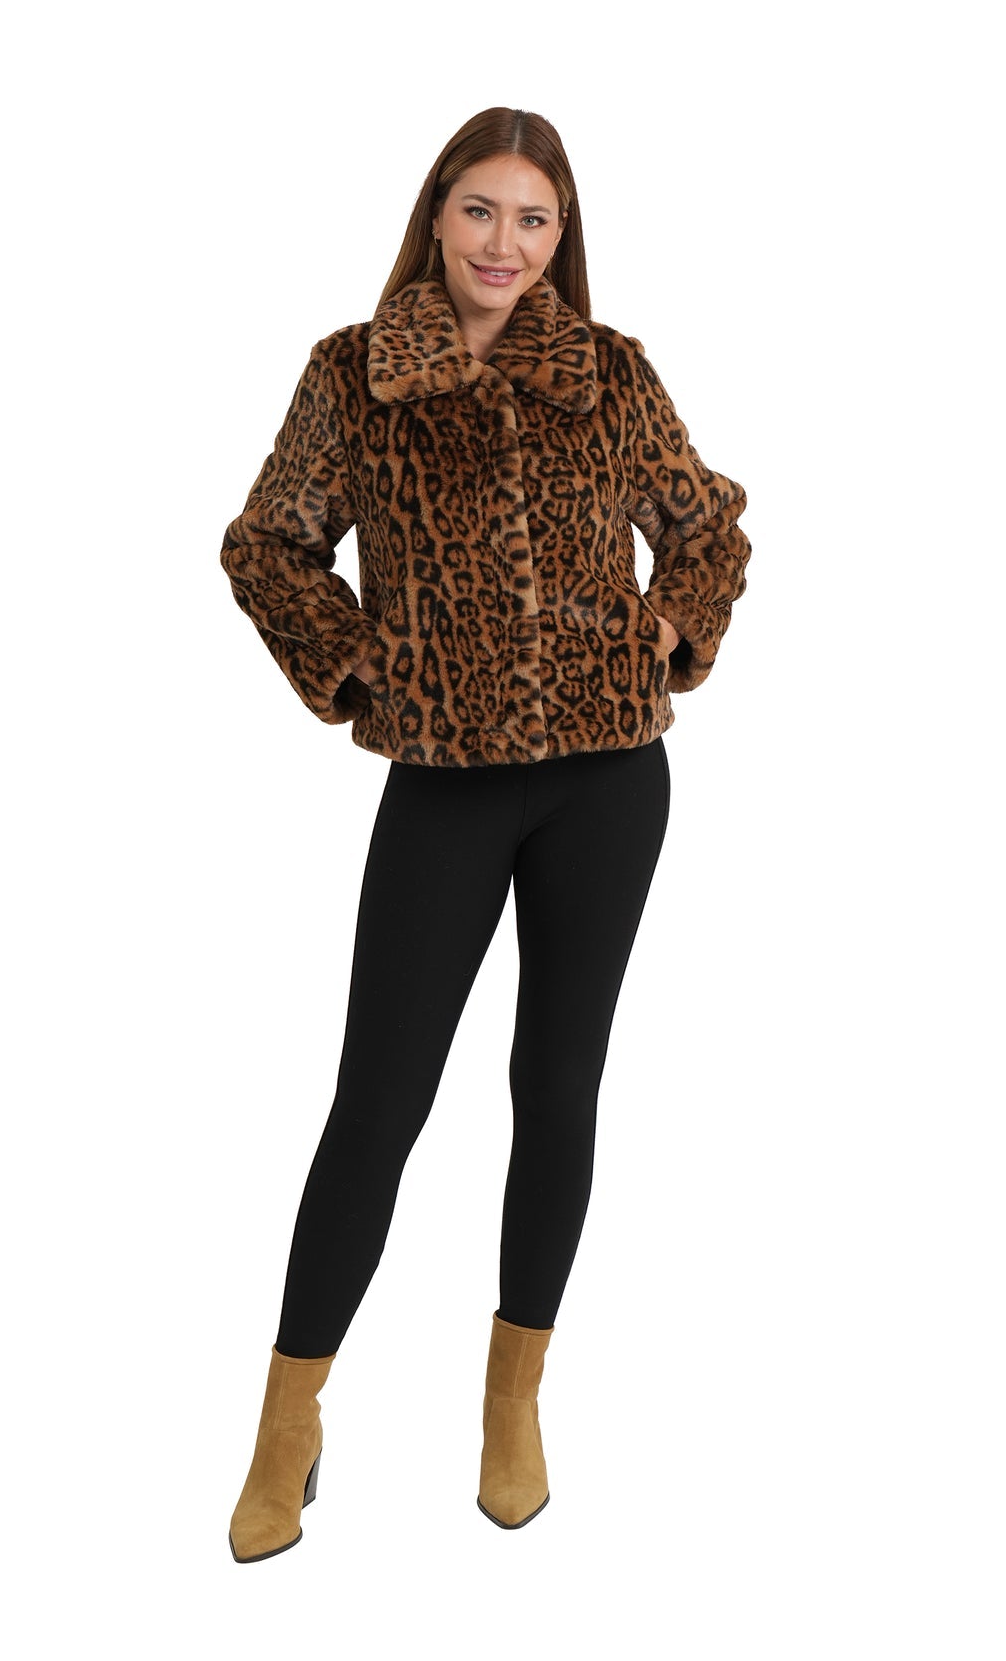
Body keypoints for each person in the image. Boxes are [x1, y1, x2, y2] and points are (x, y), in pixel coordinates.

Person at [219, 106, 751, 1561]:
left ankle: (513, 1400)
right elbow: (264, 545)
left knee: (556, 1089)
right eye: (479, 210)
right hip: (445, 783)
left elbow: (709, 526)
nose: (503, 244)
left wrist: (671, 629)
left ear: (560, 236)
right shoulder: (354, 374)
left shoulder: (610, 373)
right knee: (377, 1106)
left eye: (533, 219)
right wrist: (355, 664)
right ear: (436, 215)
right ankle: (286, 1424)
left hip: (610, 780)